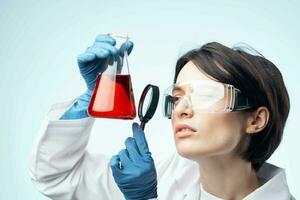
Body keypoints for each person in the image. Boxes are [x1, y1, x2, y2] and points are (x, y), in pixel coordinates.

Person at [29, 34, 295, 200]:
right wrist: (92, 98)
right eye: (177, 98)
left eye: (204, 94)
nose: (181, 109)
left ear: (255, 120)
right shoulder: (166, 178)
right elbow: (57, 176)